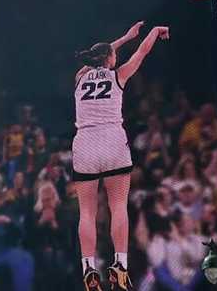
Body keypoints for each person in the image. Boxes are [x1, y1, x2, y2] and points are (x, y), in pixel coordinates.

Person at [72, 20, 170, 291]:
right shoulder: (119, 75)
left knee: (87, 214)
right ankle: (120, 265)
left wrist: (123, 38)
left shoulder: (80, 77)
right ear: (110, 59)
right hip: (113, 140)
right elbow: (143, 52)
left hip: (85, 144)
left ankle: (89, 268)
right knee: (118, 207)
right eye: (114, 55)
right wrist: (152, 32)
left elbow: (100, 56)